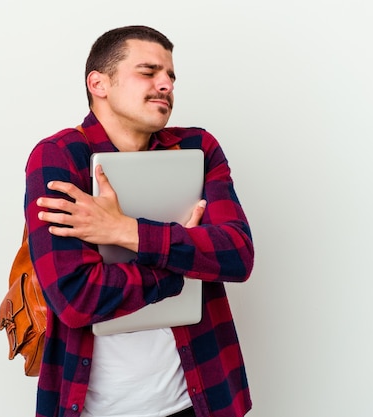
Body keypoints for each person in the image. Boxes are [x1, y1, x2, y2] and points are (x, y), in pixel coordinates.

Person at [23, 25, 254, 417]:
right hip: (95, 407)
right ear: (99, 83)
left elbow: (236, 255)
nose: (165, 84)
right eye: (148, 72)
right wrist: (184, 265)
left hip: (199, 401)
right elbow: (76, 298)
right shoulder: (57, 157)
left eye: (170, 76)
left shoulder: (199, 148)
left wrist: (124, 230)